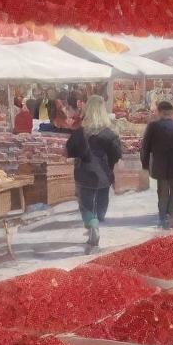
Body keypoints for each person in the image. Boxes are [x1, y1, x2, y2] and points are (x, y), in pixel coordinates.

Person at [64, 95, 122, 252]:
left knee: (86, 205)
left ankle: (93, 225)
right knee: (102, 204)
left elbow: (69, 151)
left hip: (84, 172)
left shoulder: (80, 132)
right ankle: (97, 221)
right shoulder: (110, 133)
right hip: (104, 173)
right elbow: (117, 154)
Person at [140, 101, 173, 229]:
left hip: (160, 165)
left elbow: (145, 147)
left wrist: (145, 163)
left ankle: (162, 218)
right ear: (172, 113)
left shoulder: (152, 127)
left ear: (159, 112)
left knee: (162, 192)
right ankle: (172, 217)